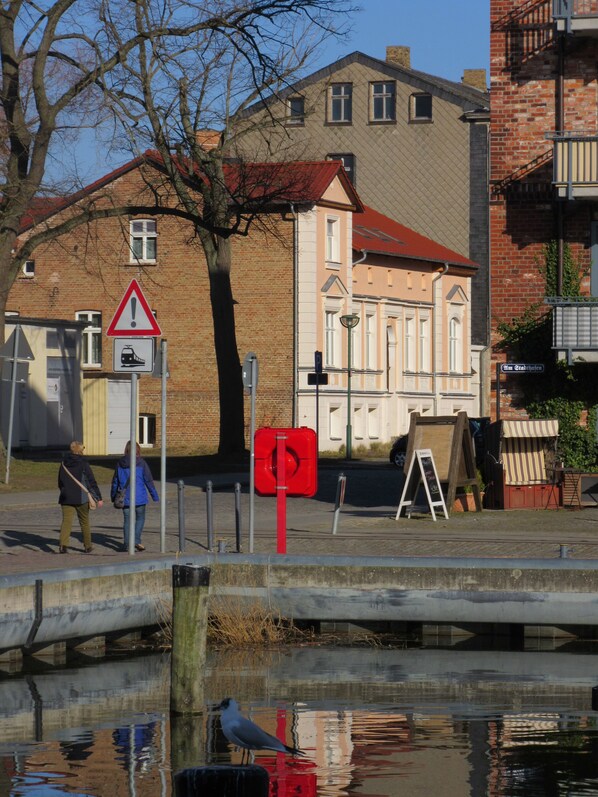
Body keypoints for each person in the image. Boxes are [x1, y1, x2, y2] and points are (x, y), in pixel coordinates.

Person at [111, 441, 159, 552]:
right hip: (140, 497)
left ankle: (127, 543)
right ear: (138, 450)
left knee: (127, 520)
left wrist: (113, 495)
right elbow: (148, 480)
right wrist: (154, 496)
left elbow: (115, 482)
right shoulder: (141, 463)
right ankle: (136, 540)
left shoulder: (120, 463)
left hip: (125, 498)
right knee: (140, 518)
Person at [58, 441, 103, 553]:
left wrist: (64, 490)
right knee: (84, 521)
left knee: (66, 522)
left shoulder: (63, 463)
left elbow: (60, 481)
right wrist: (98, 497)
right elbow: (91, 481)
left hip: (66, 497)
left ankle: (63, 545)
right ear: (80, 450)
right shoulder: (83, 463)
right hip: (81, 497)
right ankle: (87, 546)